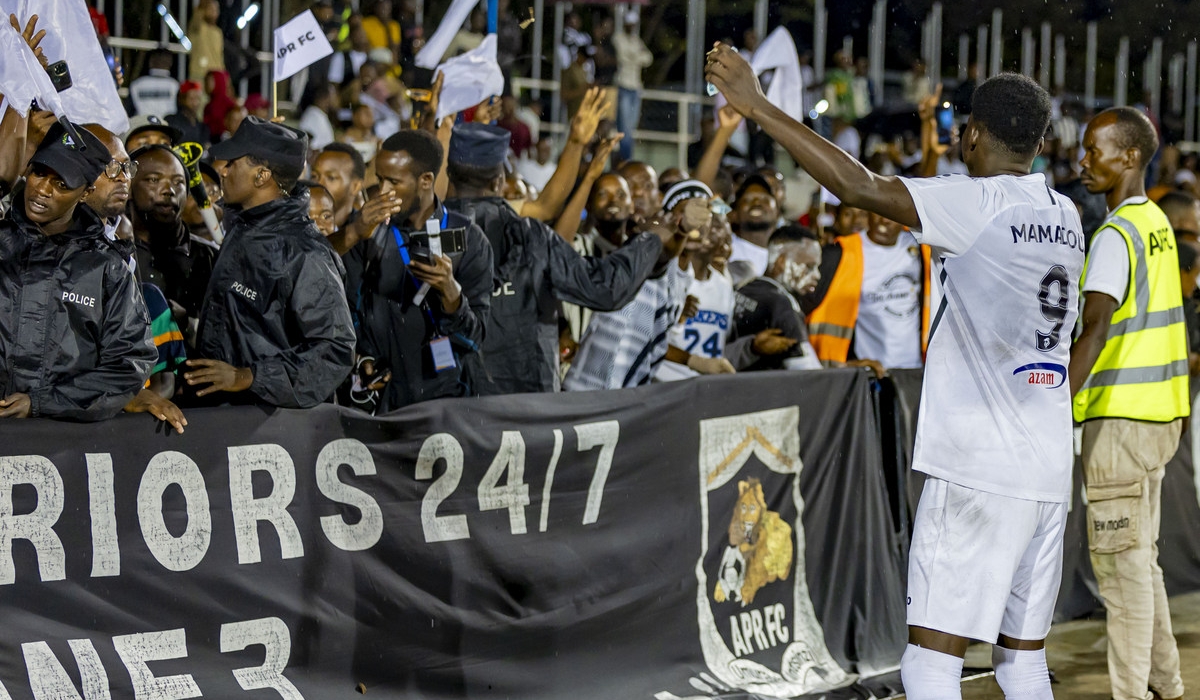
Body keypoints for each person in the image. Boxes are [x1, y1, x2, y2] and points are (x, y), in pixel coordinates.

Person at [708, 49, 1084, 697]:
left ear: (972, 133)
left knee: (931, 663)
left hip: (977, 468)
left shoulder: (979, 202)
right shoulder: (1064, 214)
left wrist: (757, 107)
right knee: (1022, 661)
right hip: (1048, 465)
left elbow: (857, 188)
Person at [1069, 107, 1190, 700]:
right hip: (1160, 416)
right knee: (1141, 565)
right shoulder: (1158, 223)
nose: (1083, 161)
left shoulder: (1115, 235)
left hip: (1120, 420)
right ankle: (1166, 687)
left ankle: (1129, 695)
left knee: (1121, 577)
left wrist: (1055, 402)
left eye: (1095, 150)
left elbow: (1093, 330)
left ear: (1131, 157)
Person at [444, 122, 665, 394]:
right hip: (527, 413)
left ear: (448, 175)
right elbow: (604, 288)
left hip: (446, 410)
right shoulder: (529, 236)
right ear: (499, 181)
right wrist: (652, 238)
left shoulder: (420, 236)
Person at [187, 117, 355, 408]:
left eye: (232, 164)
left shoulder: (305, 252)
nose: (222, 172)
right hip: (225, 418)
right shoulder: (243, 227)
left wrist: (248, 377)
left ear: (261, 176)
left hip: (274, 429)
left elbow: (335, 349)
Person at [0, 122, 156, 421]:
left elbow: (129, 362)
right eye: (39, 172)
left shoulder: (107, 267)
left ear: (85, 193)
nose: (42, 189)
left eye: (62, 184)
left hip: (64, 447)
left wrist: (42, 402)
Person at [345, 129, 494, 411]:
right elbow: (347, 310)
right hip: (381, 401)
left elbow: (475, 340)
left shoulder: (469, 238)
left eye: (394, 182)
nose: (384, 191)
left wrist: (452, 296)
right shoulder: (368, 229)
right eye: (380, 180)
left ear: (426, 180)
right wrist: (362, 359)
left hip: (445, 404)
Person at [563, 181, 705, 390]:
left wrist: (693, 360)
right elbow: (661, 252)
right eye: (684, 212)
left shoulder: (676, 270)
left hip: (628, 392)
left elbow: (655, 341)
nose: (695, 221)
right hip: (584, 389)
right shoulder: (639, 251)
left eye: (702, 216)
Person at [803, 210, 931, 370]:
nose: (885, 220)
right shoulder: (839, 253)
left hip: (918, 369)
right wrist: (844, 364)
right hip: (867, 372)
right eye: (879, 210)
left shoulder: (923, 248)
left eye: (893, 212)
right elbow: (801, 309)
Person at [128, 144, 215, 324]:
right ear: (128, 187)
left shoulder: (210, 257)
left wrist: (188, 324)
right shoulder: (112, 253)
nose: (169, 190)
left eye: (178, 182)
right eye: (153, 180)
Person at [732, 225, 824, 371]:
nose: (817, 275)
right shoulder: (782, 304)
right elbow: (807, 372)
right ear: (782, 261)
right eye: (809, 266)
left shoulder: (742, 289)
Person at [612, 10, 652, 162]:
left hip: (635, 87)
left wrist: (633, 56)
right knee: (624, 127)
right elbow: (623, 56)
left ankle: (626, 158)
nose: (631, 27)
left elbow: (648, 58)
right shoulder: (619, 38)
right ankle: (626, 159)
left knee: (630, 127)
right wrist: (636, 56)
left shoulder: (636, 41)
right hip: (623, 85)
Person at [727, 173, 780, 279]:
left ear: (777, 213)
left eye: (765, 200)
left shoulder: (784, 255)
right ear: (734, 214)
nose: (756, 203)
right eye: (747, 200)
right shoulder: (724, 248)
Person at [129, 48, 180, 117]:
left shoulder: (136, 85)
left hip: (142, 125)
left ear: (150, 62)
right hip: (167, 126)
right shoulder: (175, 85)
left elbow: (129, 111)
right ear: (170, 63)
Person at [187, 0, 224, 82]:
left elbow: (220, 57)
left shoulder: (218, 32)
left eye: (216, 9)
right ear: (204, 10)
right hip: (199, 75)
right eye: (210, 9)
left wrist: (224, 76)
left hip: (216, 77)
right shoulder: (197, 27)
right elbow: (197, 14)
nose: (214, 12)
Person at [166, 81, 210, 147]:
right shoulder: (171, 121)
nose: (195, 103)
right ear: (181, 99)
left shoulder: (202, 127)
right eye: (191, 99)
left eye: (198, 98)